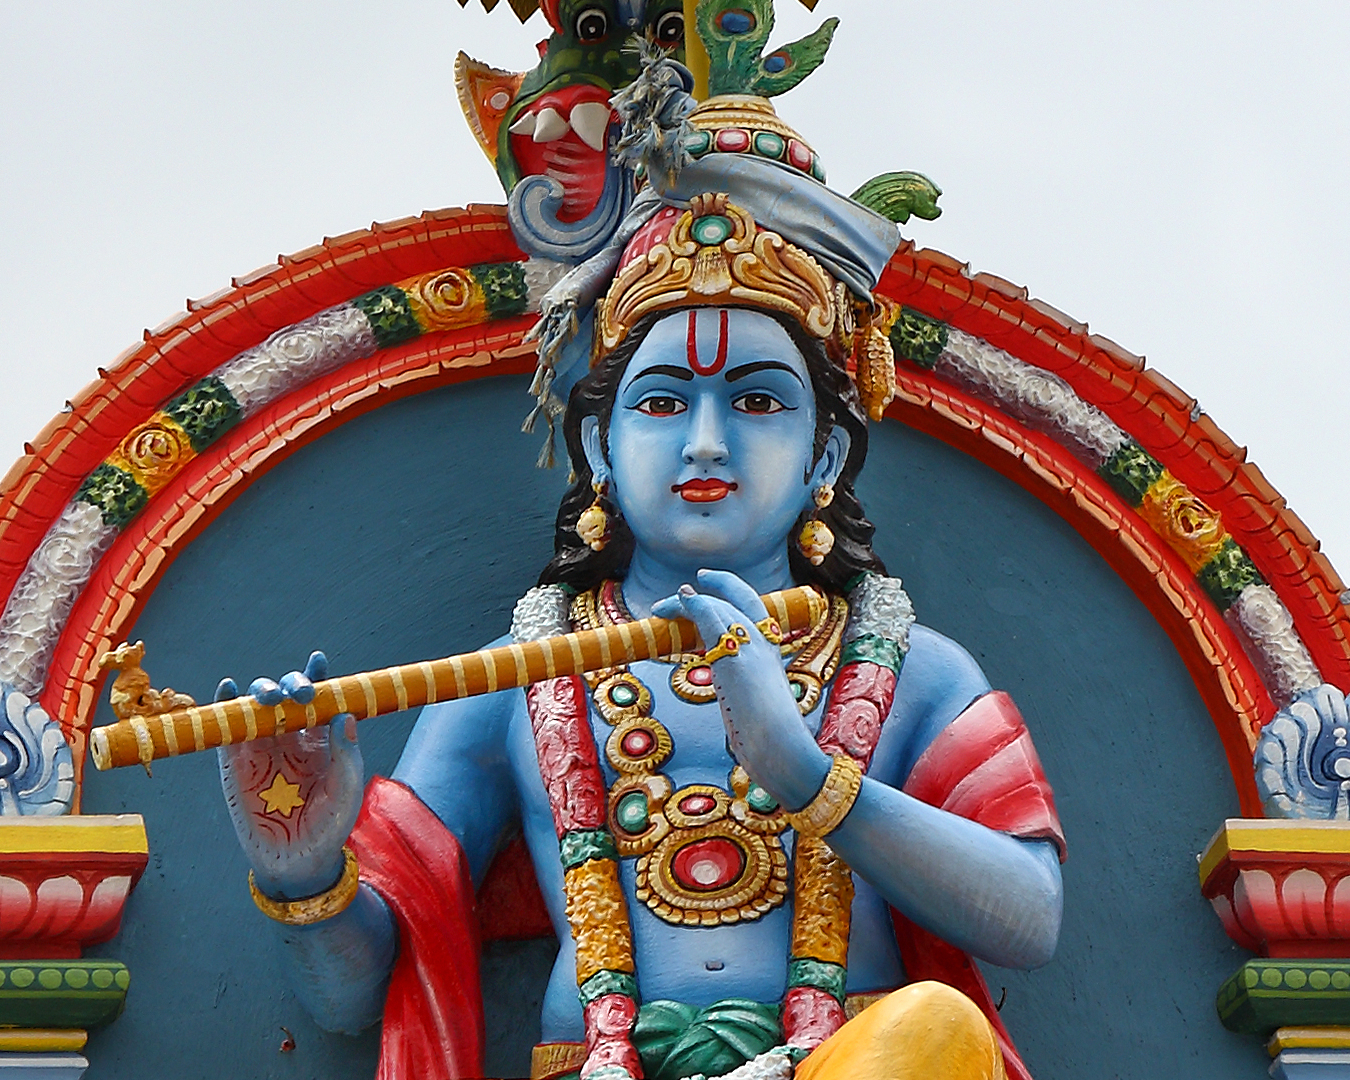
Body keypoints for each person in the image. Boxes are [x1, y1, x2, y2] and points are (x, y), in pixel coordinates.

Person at [214, 24, 1066, 1080]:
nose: (706, 442)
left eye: (758, 400)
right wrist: (304, 873)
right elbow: (349, 993)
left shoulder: (915, 672)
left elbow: (1030, 914)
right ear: (598, 450)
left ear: (826, 452)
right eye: (662, 402)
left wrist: (804, 772)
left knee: (935, 1029)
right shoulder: (517, 682)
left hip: (839, 1063)